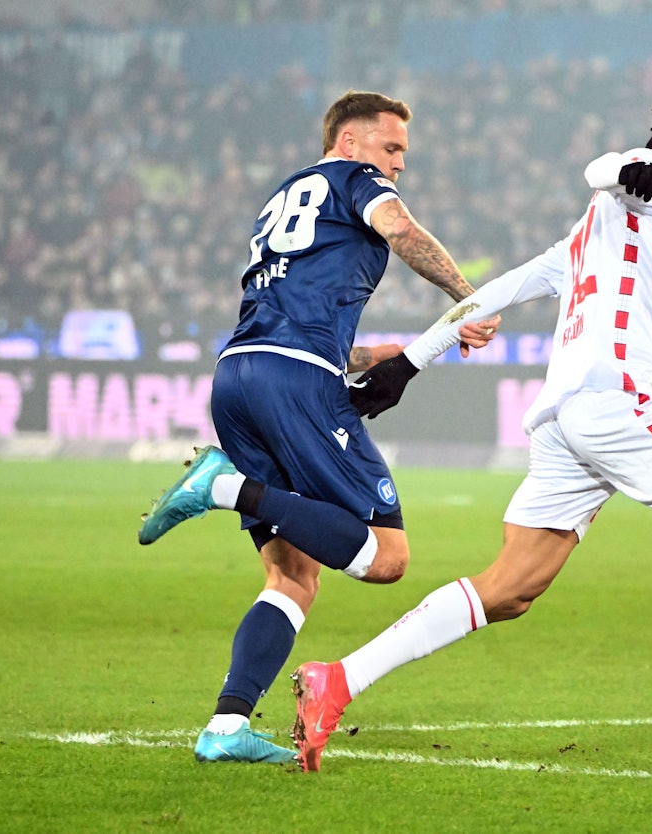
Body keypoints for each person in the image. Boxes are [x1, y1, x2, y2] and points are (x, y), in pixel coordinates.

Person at [290, 90, 652, 775]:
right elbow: (613, 166)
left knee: (509, 589)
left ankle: (336, 681)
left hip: (564, 423)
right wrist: (621, 169)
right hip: (616, 402)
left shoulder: (586, 236)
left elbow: (499, 290)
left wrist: (413, 363)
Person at [137, 90, 497, 764]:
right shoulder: (354, 180)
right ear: (353, 141)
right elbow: (403, 231)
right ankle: (224, 487)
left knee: (293, 576)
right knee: (387, 558)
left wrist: (406, 350)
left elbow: (325, 340)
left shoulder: (284, 197)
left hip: (239, 376)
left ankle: (225, 729)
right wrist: (468, 296)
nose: (398, 165)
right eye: (392, 149)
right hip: (294, 383)